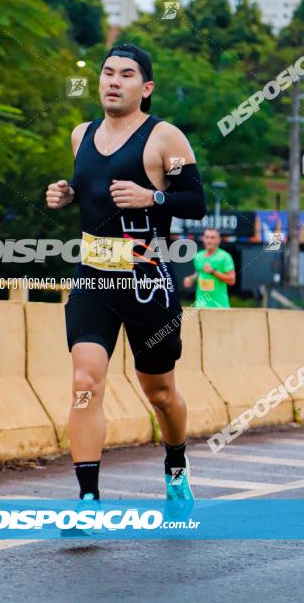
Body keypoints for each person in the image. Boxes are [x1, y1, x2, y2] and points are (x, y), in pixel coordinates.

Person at [46, 43, 206, 510]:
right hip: (94, 273)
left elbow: (193, 201)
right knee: (85, 381)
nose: (114, 81)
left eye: (127, 74)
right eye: (108, 73)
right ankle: (88, 499)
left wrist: (152, 198)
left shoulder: (165, 139)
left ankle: (176, 465)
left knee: (160, 392)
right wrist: (66, 192)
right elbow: (93, 190)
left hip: (147, 278)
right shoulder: (82, 134)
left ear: (146, 87)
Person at [183, 228, 235, 308]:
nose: (209, 240)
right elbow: (199, 273)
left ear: (218, 240)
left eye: (212, 237)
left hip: (219, 306)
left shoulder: (225, 256)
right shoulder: (198, 256)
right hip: (200, 306)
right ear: (203, 239)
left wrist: (213, 271)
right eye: (207, 237)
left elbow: (232, 280)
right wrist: (191, 279)